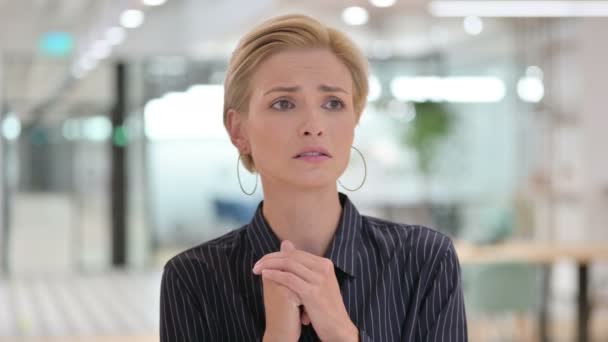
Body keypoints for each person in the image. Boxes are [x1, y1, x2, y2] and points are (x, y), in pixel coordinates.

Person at [160, 14, 467, 342]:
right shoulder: (194, 277)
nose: (313, 125)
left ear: (354, 121)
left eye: (333, 103)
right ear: (238, 130)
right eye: (283, 103)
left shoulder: (423, 259)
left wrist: (341, 332)